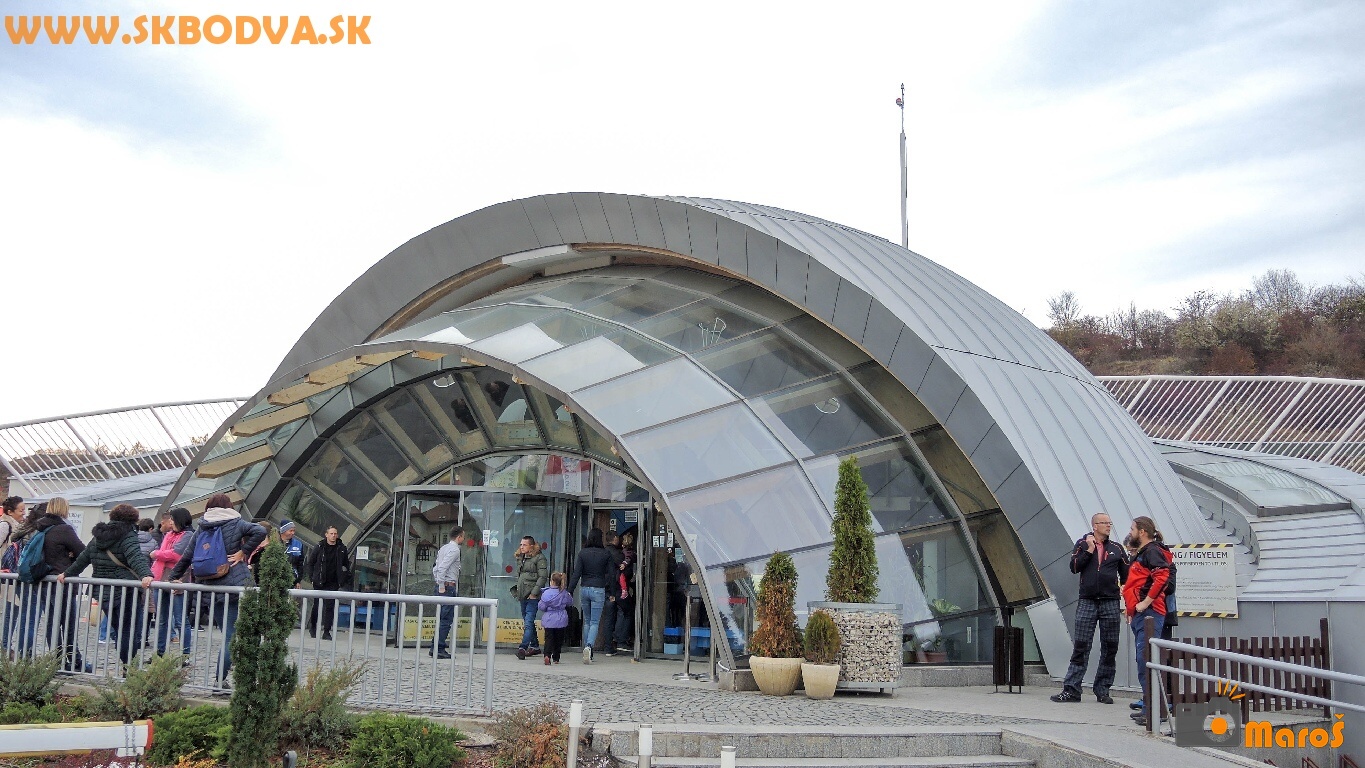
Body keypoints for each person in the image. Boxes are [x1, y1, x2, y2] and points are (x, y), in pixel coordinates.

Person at [167, 494, 266, 687]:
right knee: (232, 636)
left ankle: (225, 677)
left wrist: (173, 577)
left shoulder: (202, 526)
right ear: (228, 506)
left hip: (211, 587)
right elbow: (260, 531)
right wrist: (243, 552)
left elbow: (187, 555)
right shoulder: (236, 522)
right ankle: (220, 681)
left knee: (228, 634)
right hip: (235, 586)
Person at [59, 504, 154, 669]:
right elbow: (135, 557)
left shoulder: (98, 536)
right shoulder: (128, 535)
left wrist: (67, 574)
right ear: (132, 520)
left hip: (102, 591)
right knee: (128, 631)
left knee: (119, 628)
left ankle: (127, 663)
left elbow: (83, 558)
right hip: (125, 591)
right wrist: (146, 575)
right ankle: (129, 666)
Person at [1052, 512, 1129, 704]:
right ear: (1094, 526)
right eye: (1104, 523)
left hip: (1110, 602)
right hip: (1087, 601)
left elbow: (1127, 577)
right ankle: (1072, 690)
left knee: (1110, 646)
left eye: (1109, 523)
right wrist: (1089, 550)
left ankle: (1103, 690)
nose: (1108, 526)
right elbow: (1074, 567)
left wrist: (1126, 598)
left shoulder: (1117, 548)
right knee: (1081, 645)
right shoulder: (1082, 544)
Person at [21, 498, 85, 670]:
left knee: (52, 621)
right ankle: (73, 661)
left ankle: (58, 659)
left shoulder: (40, 527)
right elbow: (83, 552)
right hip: (61, 581)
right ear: (64, 509)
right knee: (68, 622)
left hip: (43, 581)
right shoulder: (64, 529)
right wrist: (71, 556)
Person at [1124, 516, 1171, 727]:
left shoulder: (1151, 551)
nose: (1131, 532)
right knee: (1144, 661)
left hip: (1150, 613)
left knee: (1147, 661)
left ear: (1142, 531)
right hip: (1142, 613)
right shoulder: (1144, 552)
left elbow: (1162, 576)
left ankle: (1154, 711)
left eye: (1133, 528)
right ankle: (1148, 707)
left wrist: (1145, 602)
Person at [150, 508, 193, 656]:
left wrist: (156, 554)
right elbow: (169, 553)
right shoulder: (168, 534)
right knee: (161, 619)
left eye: (173, 520)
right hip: (160, 577)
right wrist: (161, 555)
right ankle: (159, 653)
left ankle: (185, 655)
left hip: (178, 578)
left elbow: (177, 554)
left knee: (181, 620)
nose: (170, 522)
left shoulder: (188, 535)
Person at [567, 528, 612, 664]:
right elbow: (611, 574)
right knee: (594, 622)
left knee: (587, 621)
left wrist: (570, 590)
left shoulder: (582, 553)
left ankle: (587, 649)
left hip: (585, 588)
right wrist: (613, 593)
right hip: (598, 588)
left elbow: (576, 574)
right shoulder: (605, 554)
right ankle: (589, 646)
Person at [302, 526, 352, 640]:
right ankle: (313, 627)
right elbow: (311, 563)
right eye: (331, 533)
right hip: (320, 581)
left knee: (330, 607)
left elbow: (346, 565)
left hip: (333, 582)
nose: (333, 535)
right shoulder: (319, 547)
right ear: (326, 534)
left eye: (335, 533)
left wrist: (343, 578)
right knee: (317, 605)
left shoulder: (341, 548)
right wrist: (312, 577)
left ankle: (326, 631)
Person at [430, 526, 466, 659]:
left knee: (441, 618)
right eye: (463, 536)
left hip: (443, 586)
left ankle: (434, 647)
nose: (463, 539)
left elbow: (436, 568)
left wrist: (438, 582)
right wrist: (441, 585)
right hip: (447, 587)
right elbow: (442, 567)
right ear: (459, 537)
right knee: (445, 620)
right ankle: (438, 648)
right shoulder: (455, 550)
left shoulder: (443, 548)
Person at [511, 535, 548, 660]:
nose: (521, 547)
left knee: (528, 622)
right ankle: (535, 646)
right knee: (528, 622)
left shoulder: (539, 558)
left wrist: (534, 592)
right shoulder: (521, 558)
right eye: (521, 544)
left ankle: (523, 647)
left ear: (531, 546)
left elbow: (543, 577)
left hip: (532, 595)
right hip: (523, 594)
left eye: (524, 545)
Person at [1, 496, 26, 650]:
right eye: (21, 510)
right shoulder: (5, 525)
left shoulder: (17, 525)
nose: (24, 513)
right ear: (10, 512)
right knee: (11, 610)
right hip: (5, 574)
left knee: (13, 609)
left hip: (11, 575)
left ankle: (5, 645)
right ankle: (4, 646)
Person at [593, 533, 625, 655]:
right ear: (615, 539)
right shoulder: (615, 554)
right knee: (609, 618)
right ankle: (608, 646)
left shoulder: (601, 553)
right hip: (611, 588)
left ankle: (589, 645)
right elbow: (614, 573)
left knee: (593, 619)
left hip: (598, 586)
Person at [611, 529, 638, 655]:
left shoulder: (621, 553)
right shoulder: (630, 554)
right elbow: (628, 561)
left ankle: (617, 637)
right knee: (627, 612)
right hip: (622, 587)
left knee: (621, 612)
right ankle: (622, 639)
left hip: (617, 587)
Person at [537, 572, 573, 665]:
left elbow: (541, 606)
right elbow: (570, 602)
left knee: (549, 638)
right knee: (559, 639)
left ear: (552, 581)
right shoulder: (564, 593)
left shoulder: (546, 593)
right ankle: (556, 658)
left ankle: (547, 655)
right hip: (561, 618)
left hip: (549, 618)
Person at [278, 520, 307, 588]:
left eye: (294, 531)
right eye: (290, 531)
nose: (293, 533)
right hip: (276, 581)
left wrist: (298, 581)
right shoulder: (274, 543)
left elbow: (300, 564)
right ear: (283, 531)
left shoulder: (298, 544)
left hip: (291, 581)